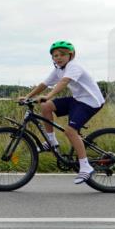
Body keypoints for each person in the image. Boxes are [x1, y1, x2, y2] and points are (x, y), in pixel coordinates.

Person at [19, 40, 106, 185]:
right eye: (55, 55)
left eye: (62, 55)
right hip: (78, 99)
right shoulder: (59, 69)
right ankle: (51, 141)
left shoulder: (74, 66)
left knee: (70, 131)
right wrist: (28, 96)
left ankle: (86, 167)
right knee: (46, 106)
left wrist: (48, 96)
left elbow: (64, 82)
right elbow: (44, 84)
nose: (58, 58)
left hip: (91, 102)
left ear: (71, 56)